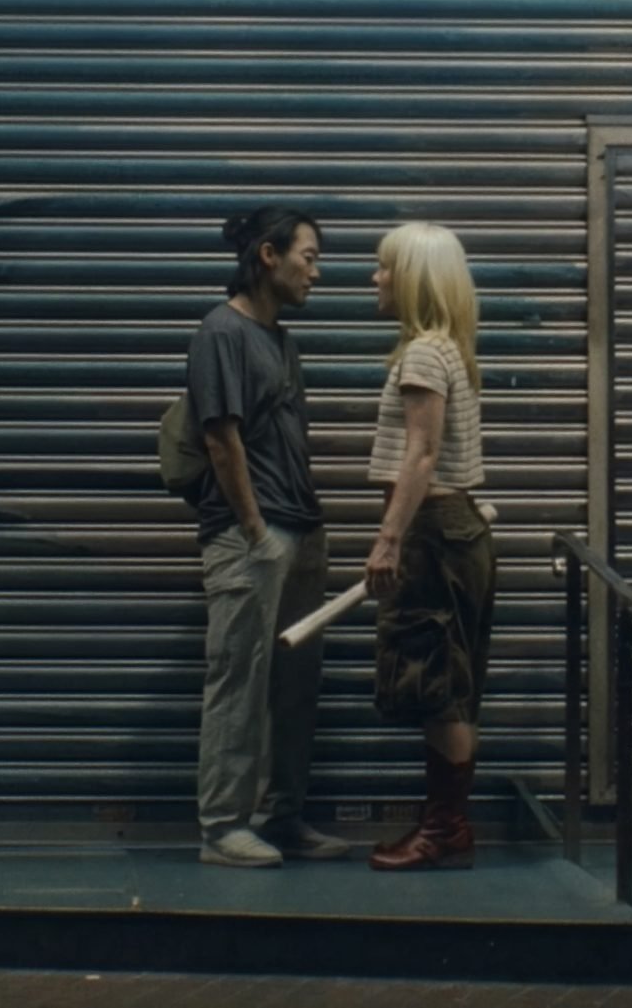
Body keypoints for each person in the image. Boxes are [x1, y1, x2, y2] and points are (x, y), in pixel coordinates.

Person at [186, 206, 353, 868]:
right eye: (308, 255)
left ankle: (280, 814)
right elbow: (220, 439)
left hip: (298, 530)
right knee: (240, 680)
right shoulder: (220, 332)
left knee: (292, 684)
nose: (316, 270)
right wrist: (256, 532)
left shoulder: (281, 340)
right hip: (250, 537)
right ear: (267, 255)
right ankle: (223, 827)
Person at [361, 221, 493, 871]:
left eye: (384, 268)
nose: (375, 279)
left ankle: (444, 831)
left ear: (412, 277)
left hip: (433, 533)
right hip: (459, 526)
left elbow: (422, 452)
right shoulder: (451, 349)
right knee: (452, 682)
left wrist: (389, 537)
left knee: (435, 682)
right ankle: (447, 824)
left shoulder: (421, 353)